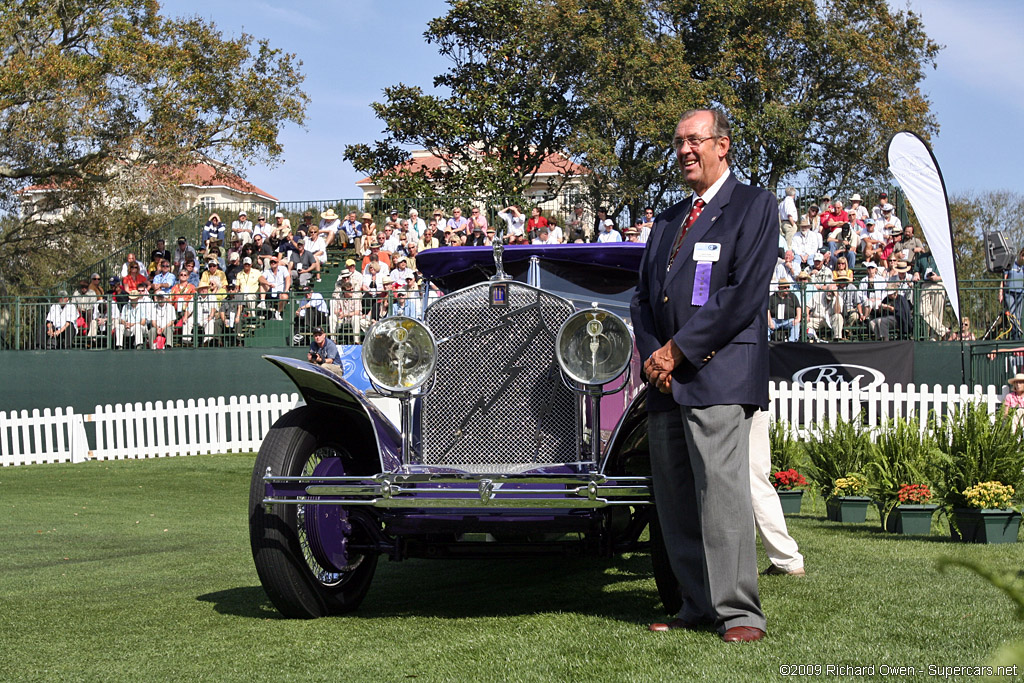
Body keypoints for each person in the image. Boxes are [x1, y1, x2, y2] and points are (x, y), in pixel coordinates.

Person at [632, 108, 773, 642]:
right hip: (666, 381)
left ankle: (739, 613)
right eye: (678, 142)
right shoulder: (668, 219)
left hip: (717, 376)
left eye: (695, 140)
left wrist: (678, 352)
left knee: (721, 496)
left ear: (723, 145)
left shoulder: (754, 206)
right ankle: (695, 604)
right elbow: (642, 299)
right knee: (676, 499)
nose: (685, 150)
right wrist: (655, 357)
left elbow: (742, 297)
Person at [748, 410, 805, 576]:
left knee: (741, 479)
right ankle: (788, 559)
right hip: (757, 394)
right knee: (758, 480)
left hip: (726, 397)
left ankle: (744, 562)